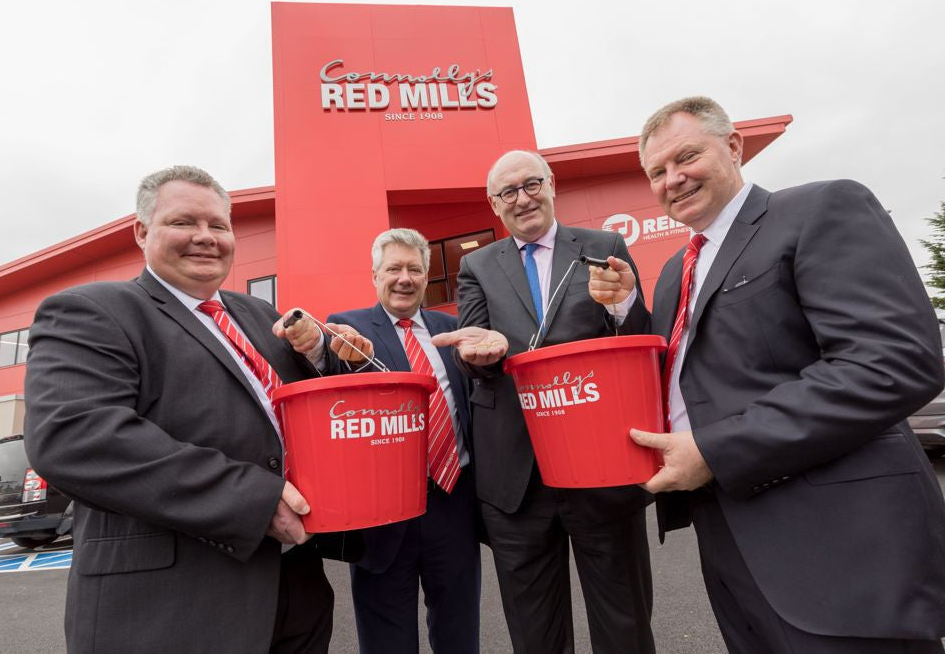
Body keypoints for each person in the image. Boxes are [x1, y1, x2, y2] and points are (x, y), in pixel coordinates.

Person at [589, 96, 945, 652]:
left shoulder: (820, 208)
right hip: (729, 540)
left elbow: (895, 359)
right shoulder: (671, 277)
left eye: (686, 157)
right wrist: (624, 312)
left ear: (733, 147)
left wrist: (716, 449)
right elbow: (689, 371)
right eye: (657, 172)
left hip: (839, 547)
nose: (672, 179)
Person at [24, 165, 370, 652]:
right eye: (184, 222)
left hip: (295, 593)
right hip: (170, 609)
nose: (205, 237)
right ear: (143, 232)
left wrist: (326, 359)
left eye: (218, 226)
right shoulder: (94, 310)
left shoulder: (261, 316)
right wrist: (253, 501)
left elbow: (303, 418)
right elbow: (76, 436)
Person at [432, 150, 656, 653]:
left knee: (625, 623)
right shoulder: (477, 265)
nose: (522, 199)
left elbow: (637, 337)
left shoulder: (605, 245)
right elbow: (473, 352)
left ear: (551, 183)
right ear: (494, 204)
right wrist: (481, 355)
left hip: (599, 465)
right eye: (507, 193)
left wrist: (621, 303)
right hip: (515, 476)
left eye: (531, 184)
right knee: (535, 633)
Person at [326, 228, 481, 653]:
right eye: (393, 268)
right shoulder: (347, 328)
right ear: (375, 276)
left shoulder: (454, 331)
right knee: (386, 635)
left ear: (427, 276)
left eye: (414, 268)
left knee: (459, 627)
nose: (404, 278)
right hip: (384, 511)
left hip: (453, 499)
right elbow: (329, 378)